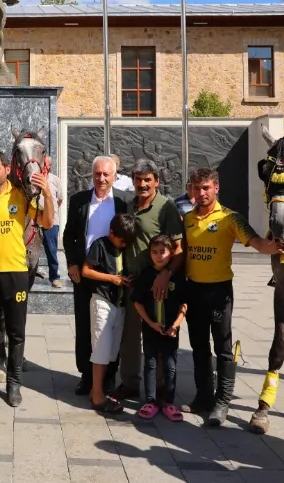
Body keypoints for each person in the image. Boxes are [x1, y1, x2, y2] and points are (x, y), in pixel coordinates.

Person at [181, 167, 278, 426]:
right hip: (193, 290)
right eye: (196, 187)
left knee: (222, 348)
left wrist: (280, 245)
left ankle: (222, 402)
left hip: (219, 291)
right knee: (199, 347)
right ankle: (203, 396)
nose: (201, 193)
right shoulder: (187, 219)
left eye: (206, 188)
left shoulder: (230, 218)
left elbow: (258, 243)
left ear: (216, 188)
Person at [0, 149, 55, 407]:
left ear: (7, 169)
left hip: (16, 273)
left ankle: (14, 385)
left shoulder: (21, 195)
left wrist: (47, 193)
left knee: (16, 333)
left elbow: (48, 222)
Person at [117, 159, 185, 402]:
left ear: (157, 181)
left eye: (147, 180)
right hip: (133, 284)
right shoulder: (129, 205)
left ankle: (159, 391)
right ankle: (130, 383)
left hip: (157, 285)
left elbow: (178, 248)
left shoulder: (165, 207)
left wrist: (166, 275)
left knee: (157, 337)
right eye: (138, 179)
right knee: (131, 337)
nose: (142, 184)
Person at [62, 156, 130, 396]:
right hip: (85, 273)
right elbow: (69, 235)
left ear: (114, 176)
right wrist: (71, 263)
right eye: (97, 174)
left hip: (113, 275)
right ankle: (86, 375)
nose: (101, 179)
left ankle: (109, 376)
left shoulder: (123, 201)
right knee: (84, 325)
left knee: (112, 327)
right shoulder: (79, 200)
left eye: (106, 175)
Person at [82, 213, 137, 414]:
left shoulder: (124, 247)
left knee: (111, 351)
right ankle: (97, 395)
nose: (123, 245)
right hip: (102, 301)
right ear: (111, 233)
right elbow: (86, 271)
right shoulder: (101, 245)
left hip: (120, 304)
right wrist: (111, 279)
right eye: (121, 241)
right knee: (101, 349)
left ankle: (98, 390)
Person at [132, 234, 187, 422]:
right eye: (154, 252)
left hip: (171, 331)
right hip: (150, 329)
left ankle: (169, 402)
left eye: (162, 252)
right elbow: (137, 302)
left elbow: (184, 304)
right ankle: (150, 401)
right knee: (150, 363)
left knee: (170, 365)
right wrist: (150, 323)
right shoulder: (146, 275)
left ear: (171, 253)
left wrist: (176, 325)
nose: (158, 256)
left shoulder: (178, 277)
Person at [42, 157, 64, 288]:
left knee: (51, 250)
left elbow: (59, 200)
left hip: (51, 221)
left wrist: (50, 212)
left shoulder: (55, 180)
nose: (43, 166)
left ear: (50, 165)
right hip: (34, 221)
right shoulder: (33, 178)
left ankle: (54, 277)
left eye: (45, 164)